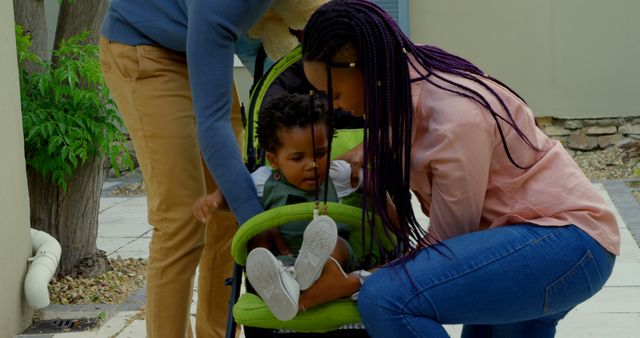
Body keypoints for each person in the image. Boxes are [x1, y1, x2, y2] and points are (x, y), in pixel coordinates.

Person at [300, 1, 620, 337]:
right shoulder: (406, 73)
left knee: (385, 298)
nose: (332, 105)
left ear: (365, 67)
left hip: (563, 242)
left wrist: (356, 281)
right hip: (527, 242)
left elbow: (448, 242)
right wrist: (358, 161)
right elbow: (400, 137)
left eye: (332, 92)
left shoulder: (454, 121)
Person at [98, 1, 328, 337]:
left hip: (198, 43)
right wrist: (255, 221)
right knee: (181, 219)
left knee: (225, 215)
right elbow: (214, 123)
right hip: (145, 48)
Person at [194, 93, 364, 321]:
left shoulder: (336, 173)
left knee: (336, 242)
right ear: (274, 160)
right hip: (286, 260)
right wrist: (215, 200)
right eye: (297, 158)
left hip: (332, 263)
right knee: (258, 244)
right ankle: (282, 285)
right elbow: (237, 195)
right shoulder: (264, 179)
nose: (312, 165)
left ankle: (307, 273)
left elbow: (370, 182)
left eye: (321, 153)